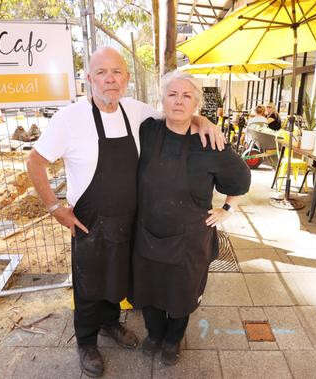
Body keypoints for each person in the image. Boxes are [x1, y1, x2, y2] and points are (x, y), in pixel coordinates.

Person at [26, 47, 224, 378]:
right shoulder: (69, 118)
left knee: (119, 278)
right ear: (89, 79)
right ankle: (86, 342)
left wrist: (203, 120)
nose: (110, 79)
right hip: (90, 221)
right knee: (89, 286)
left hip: (131, 220)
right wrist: (54, 207)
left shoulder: (137, 111)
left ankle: (109, 325)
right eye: (101, 73)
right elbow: (35, 162)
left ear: (127, 78)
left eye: (117, 72)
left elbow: (177, 112)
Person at [130, 71, 251, 366]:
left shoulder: (210, 143)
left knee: (182, 294)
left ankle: (172, 339)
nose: (179, 101)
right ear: (162, 99)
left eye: (186, 96)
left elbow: (241, 179)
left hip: (189, 240)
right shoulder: (147, 131)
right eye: (172, 94)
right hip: (147, 232)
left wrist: (227, 209)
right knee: (149, 288)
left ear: (196, 102)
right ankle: (154, 334)